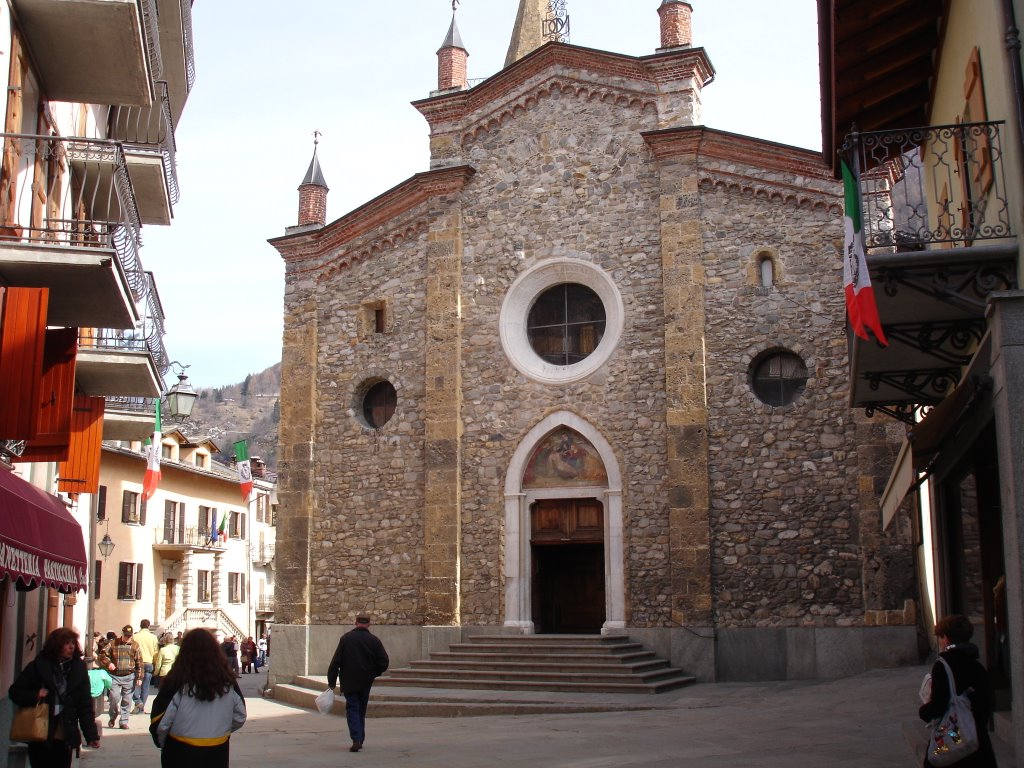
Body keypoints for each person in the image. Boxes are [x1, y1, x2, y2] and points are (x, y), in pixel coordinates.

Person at [149, 628, 247, 768]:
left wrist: (164, 743)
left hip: (180, 750)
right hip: (217, 751)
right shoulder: (227, 681)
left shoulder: (176, 680)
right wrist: (219, 730)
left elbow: (161, 719)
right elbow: (240, 715)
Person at [8, 627, 101, 767]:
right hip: (41, 729)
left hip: (65, 730)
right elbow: (15, 692)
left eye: (73, 643)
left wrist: (91, 735)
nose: (71, 647)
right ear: (56, 645)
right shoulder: (39, 666)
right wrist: (35, 695)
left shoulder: (78, 670)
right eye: (67, 643)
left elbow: (85, 705)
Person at [919, 614, 998, 767]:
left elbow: (938, 705)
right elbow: (987, 703)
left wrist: (924, 711)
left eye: (940, 638)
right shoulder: (978, 666)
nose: (940, 642)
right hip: (978, 739)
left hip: (954, 734)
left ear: (946, 638)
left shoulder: (943, 665)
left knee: (937, 758)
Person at [327, 614, 389, 753]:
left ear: (355, 623)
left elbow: (335, 662)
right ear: (369, 624)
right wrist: (373, 673)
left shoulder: (346, 639)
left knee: (352, 709)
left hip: (349, 681)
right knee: (361, 709)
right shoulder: (374, 640)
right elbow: (384, 662)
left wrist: (331, 681)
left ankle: (356, 738)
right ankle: (360, 738)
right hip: (366, 681)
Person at [97, 624, 142, 729]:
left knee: (127, 699)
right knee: (114, 697)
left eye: (129, 636)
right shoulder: (113, 643)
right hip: (115, 676)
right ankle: (113, 716)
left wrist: (139, 677)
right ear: (122, 634)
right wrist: (108, 663)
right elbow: (102, 655)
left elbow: (139, 662)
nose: (127, 638)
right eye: (126, 635)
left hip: (129, 676)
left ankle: (124, 721)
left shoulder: (135, 645)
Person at [133, 619, 160, 714]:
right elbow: (156, 652)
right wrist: (155, 662)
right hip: (149, 662)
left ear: (140, 626)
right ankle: (141, 707)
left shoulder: (135, 636)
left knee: (136, 684)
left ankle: (138, 701)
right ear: (148, 626)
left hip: (137, 663)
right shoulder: (153, 637)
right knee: (145, 686)